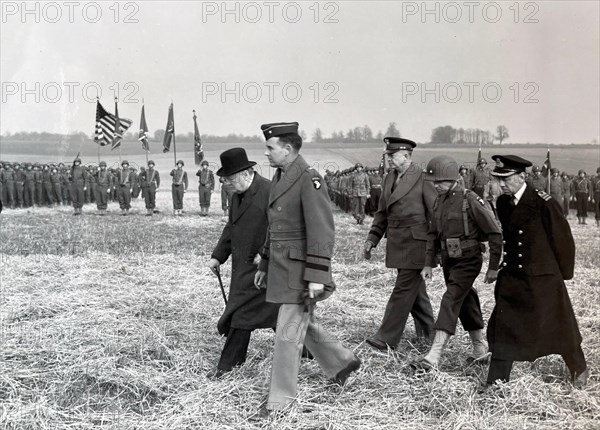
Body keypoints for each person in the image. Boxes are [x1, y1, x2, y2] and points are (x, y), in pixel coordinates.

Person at [254, 121, 360, 416]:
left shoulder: (308, 178)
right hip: (282, 268)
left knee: (287, 335)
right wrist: (265, 262)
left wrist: (316, 275)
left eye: (270, 148)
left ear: (287, 150)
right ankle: (341, 361)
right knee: (302, 324)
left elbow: (322, 231)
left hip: (300, 272)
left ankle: (280, 402)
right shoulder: (280, 175)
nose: (266, 153)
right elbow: (275, 227)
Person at [484, 155, 588, 389]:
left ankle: (578, 367)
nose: (501, 184)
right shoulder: (503, 203)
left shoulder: (544, 203)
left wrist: (561, 275)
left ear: (522, 176)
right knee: (505, 325)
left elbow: (563, 240)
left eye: (506, 179)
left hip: (543, 277)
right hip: (513, 276)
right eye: (498, 179)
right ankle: (497, 380)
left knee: (559, 325)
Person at [417, 155, 502, 369]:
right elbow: (433, 235)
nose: (436, 186)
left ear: (454, 179)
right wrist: (428, 263)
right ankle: (480, 347)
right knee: (465, 298)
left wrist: (493, 267)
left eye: (440, 181)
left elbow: (494, 232)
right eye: (433, 182)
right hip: (449, 260)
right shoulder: (439, 201)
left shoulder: (470, 199)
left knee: (451, 298)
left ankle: (433, 356)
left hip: (469, 258)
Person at [207, 148, 280, 378]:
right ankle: (310, 351)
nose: (225, 183)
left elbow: (281, 229)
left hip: (265, 268)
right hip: (243, 268)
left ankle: (227, 367)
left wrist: (266, 255)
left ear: (246, 173)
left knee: (242, 314)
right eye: (224, 180)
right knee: (277, 316)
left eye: (229, 179)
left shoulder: (270, 192)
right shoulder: (235, 195)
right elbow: (232, 228)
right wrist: (218, 255)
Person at [363, 137, 436, 350]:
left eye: (392, 155)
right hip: (397, 243)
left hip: (417, 244)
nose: (388, 160)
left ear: (406, 155)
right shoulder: (388, 179)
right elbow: (382, 213)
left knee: (402, 290)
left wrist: (435, 249)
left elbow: (435, 214)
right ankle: (428, 334)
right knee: (415, 291)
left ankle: (385, 338)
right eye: (388, 156)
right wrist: (372, 238)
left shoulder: (423, 179)